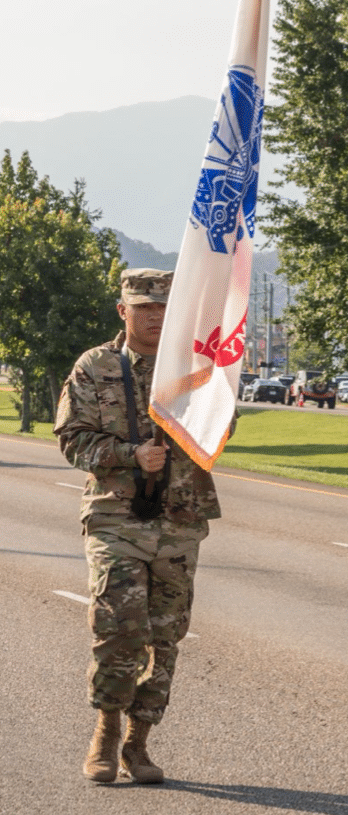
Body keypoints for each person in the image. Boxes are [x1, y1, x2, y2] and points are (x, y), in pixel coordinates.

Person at [55, 268, 223, 784]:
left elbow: (223, 426)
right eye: (143, 307)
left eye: (163, 309)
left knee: (167, 637)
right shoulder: (95, 367)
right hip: (115, 518)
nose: (154, 317)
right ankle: (105, 730)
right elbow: (71, 438)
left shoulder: (195, 368)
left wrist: (211, 403)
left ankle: (138, 741)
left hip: (179, 519)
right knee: (119, 628)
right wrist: (129, 455)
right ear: (122, 311)